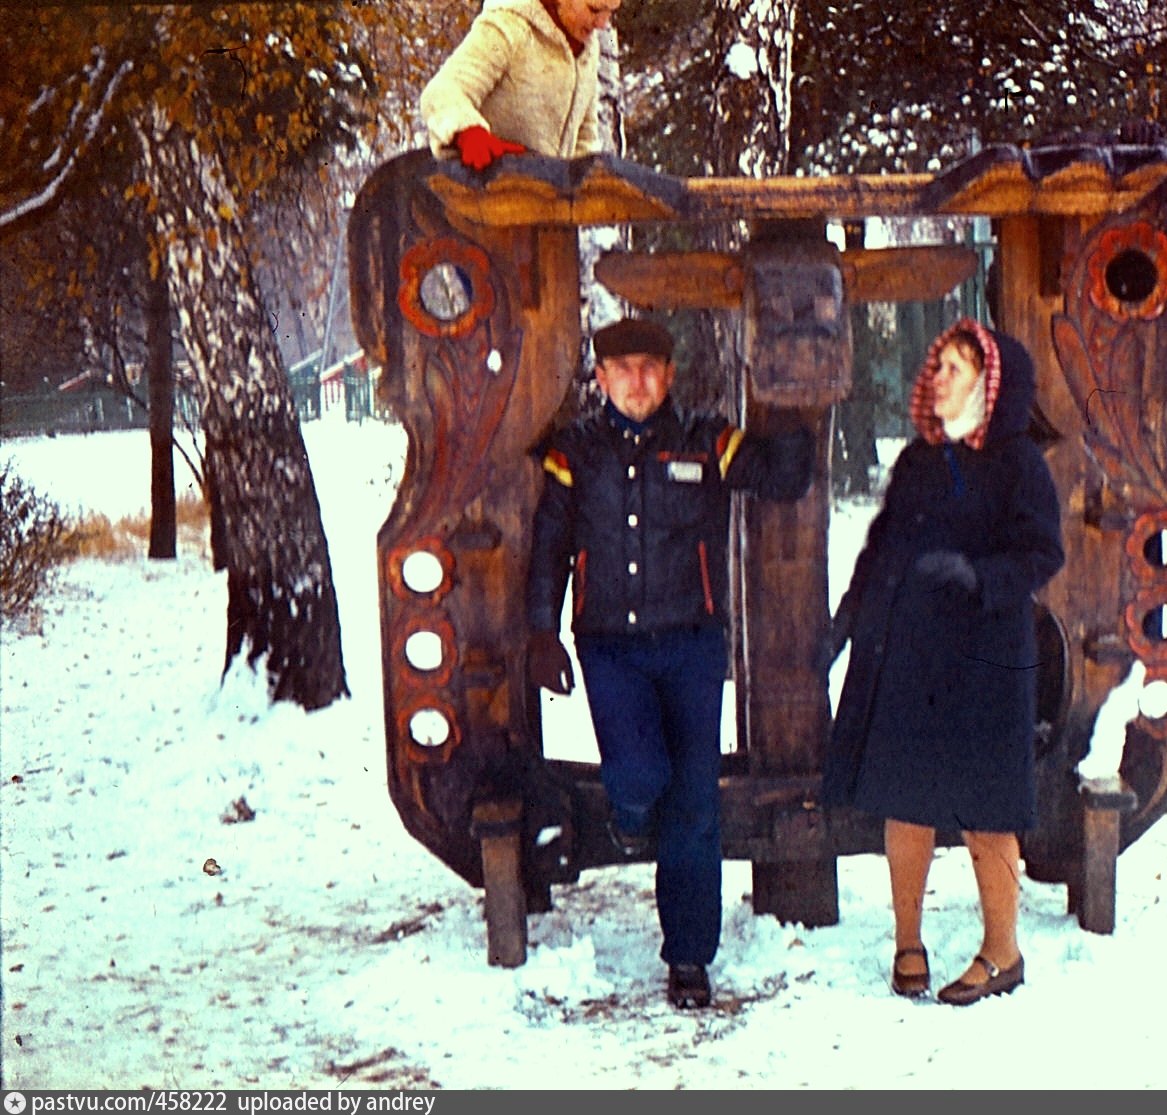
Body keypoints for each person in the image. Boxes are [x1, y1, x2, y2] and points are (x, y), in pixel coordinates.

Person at [524, 317, 814, 1010]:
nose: (637, 382)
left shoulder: (705, 440)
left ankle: (689, 955)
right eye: (622, 369)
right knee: (638, 776)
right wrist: (541, 631)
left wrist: (802, 395)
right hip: (610, 647)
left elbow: (780, 476)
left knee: (694, 801)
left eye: (650, 367)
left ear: (671, 374)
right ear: (600, 378)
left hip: (692, 646)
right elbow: (549, 546)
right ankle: (629, 814)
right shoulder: (575, 453)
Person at [820, 317, 1064, 1007]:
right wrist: (847, 620)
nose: (939, 378)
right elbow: (880, 547)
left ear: (990, 384)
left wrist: (980, 576)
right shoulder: (917, 462)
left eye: (956, 368)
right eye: (939, 367)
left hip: (988, 656)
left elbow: (1044, 552)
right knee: (907, 798)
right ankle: (908, 942)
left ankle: (1003, 950)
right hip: (913, 653)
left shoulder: (1019, 463)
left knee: (988, 806)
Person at [419, 0, 619, 168]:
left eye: (610, 12)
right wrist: (469, 133)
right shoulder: (508, 27)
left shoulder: (587, 51)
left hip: (544, 198)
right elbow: (442, 92)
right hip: (482, 191)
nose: (602, 24)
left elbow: (584, 138)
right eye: (594, 10)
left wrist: (586, 183)